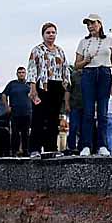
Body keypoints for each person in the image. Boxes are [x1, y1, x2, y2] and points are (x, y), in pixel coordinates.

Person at [74, 14, 112, 156]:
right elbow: (76, 65)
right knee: (88, 112)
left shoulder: (110, 40)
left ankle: (102, 145)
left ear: (99, 24)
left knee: (103, 112)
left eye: (92, 23)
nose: (90, 26)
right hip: (88, 74)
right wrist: (86, 61)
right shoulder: (83, 42)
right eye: (88, 24)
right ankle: (86, 145)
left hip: (105, 73)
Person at [27, 22, 72, 155]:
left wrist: (66, 86)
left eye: (53, 32)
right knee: (39, 118)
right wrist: (33, 89)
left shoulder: (60, 51)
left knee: (53, 119)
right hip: (42, 86)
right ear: (43, 35)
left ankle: (51, 148)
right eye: (48, 32)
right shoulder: (37, 50)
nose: (51, 35)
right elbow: (32, 70)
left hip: (57, 86)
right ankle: (34, 148)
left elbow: (65, 68)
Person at [3, 66, 32, 156]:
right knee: (15, 133)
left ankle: (25, 150)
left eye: (23, 72)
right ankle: (14, 151)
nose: (21, 74)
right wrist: (6, 106)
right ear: (17, 74)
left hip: (27, 112)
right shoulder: (12, 84)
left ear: (25, 74)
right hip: (15, 112)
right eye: (19, 73)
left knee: (25, 133)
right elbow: (4, 94)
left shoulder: (29, 84)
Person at [66, 67, 84, 153]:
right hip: (74, 105)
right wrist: (67, 104)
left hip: (86, 106)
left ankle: (82, 147)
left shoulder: (89, 75)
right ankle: (71, 147)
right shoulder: (73, 75)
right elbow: (68, 91)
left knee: (84, 128)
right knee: (73, 127)